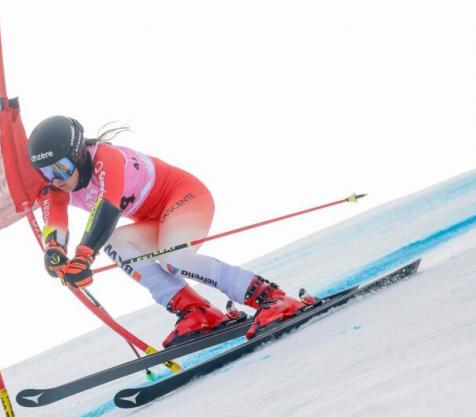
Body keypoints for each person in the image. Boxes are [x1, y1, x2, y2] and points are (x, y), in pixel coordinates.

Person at [28, 115, 315, 347]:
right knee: (117, 243)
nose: (56, 179)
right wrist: (55, 254)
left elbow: (107, 208)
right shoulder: (56, 187)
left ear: (78, 155)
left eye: (61, 168)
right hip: (156, 220)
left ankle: (272, 298)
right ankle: (196, 311)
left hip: (184, 198)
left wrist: (84, 257)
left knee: (173, 258)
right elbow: (54, 224)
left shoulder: (106, 158)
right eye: (46, 173)